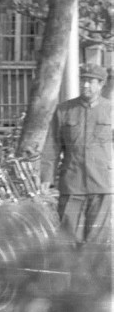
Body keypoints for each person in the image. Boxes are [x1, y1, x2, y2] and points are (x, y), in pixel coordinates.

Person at [40, 63, 113, 247]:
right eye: (83, 81)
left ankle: (92, 275)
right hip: (72, 183)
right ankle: (71, 275)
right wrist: (46, 177)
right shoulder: (64, 110)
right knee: (68, 237)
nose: (85, 85)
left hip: (102, 183)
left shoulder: (110, 110)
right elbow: (53, 145)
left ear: (101, 84)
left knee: (96, 241)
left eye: (90, 81)